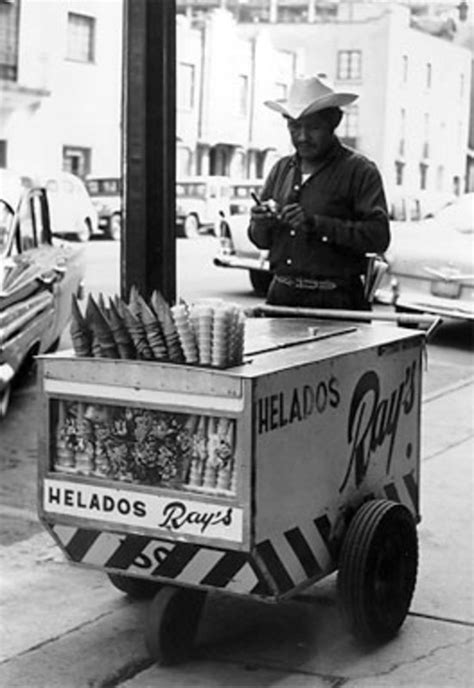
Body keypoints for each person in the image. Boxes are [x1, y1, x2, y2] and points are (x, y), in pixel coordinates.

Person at [248, 75, 390, 311]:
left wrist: (317, 224)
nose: (302, 136)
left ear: (333, 123)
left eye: (313, 127)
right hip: (281, 297)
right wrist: (260, 223)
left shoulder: (360, 171)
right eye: (294, 127)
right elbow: (260, 241)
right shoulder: (281, 169)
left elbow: (378, 237)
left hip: (337, 302)